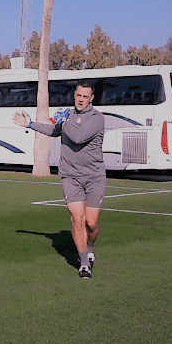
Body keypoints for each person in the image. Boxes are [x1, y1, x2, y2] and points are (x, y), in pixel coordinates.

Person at [13, 81, 105, 279]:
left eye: (85, 96)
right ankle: (83, 264)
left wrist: (64, 121)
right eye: (78, 95)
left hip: (94, 177)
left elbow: (78, 137)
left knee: (92, 223)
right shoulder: (67, 115)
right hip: (70, 175)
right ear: (75, 95)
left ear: (91, 98)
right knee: (77, 219)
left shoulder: (97, 118)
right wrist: (29, 124)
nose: (80, 99)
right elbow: (53, 130)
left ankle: (90, 247)